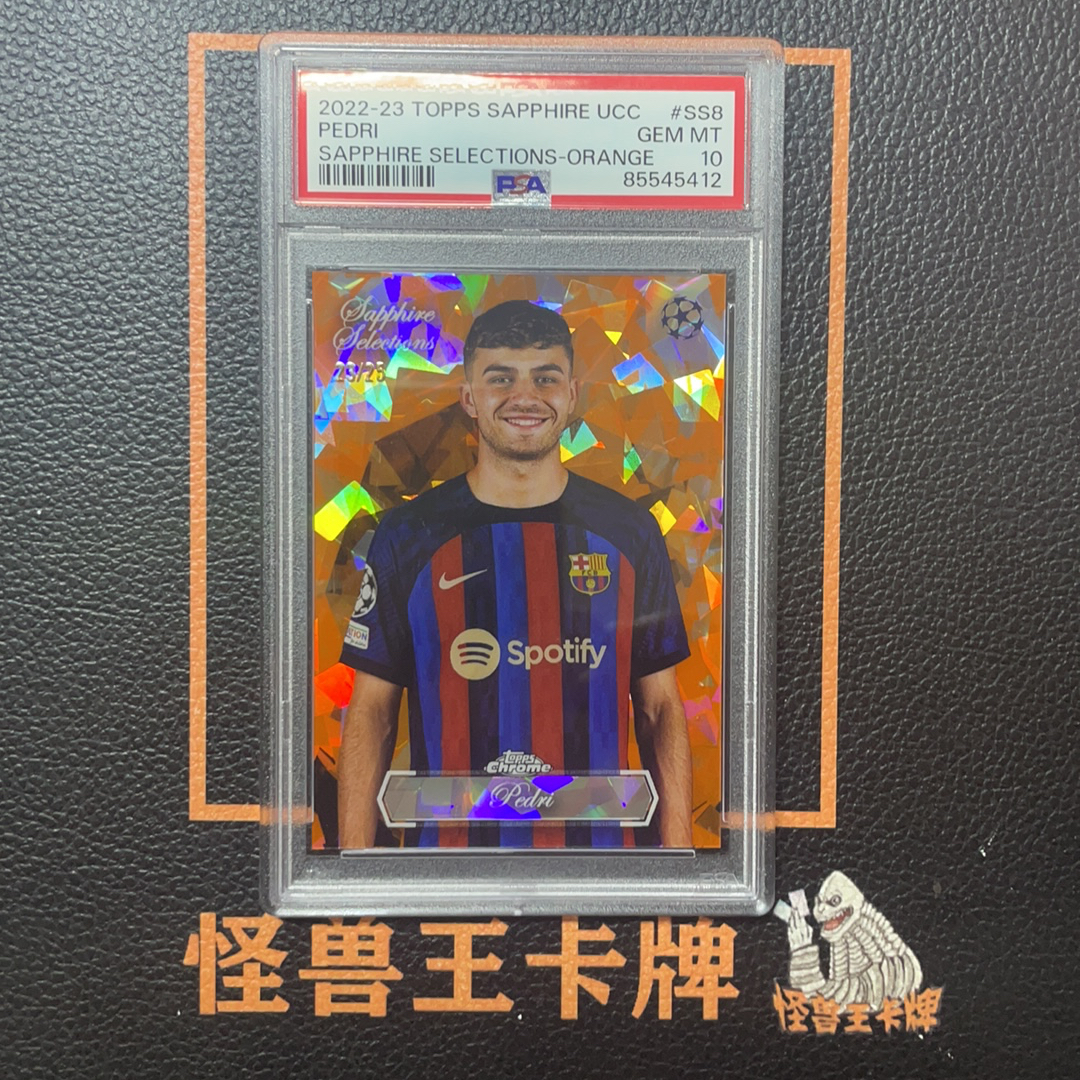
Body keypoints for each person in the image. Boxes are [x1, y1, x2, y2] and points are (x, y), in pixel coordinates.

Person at [337, 299, 692, 850]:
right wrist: (353, 870)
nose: (524, 396)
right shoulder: (408, 534)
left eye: (545, 378)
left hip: (599, 866)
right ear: (469, 398)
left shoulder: (629, 531)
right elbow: (372, 712)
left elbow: (659, 708)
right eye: (500, 378)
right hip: (447, 865)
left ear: (571, 394)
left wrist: (679, 862)